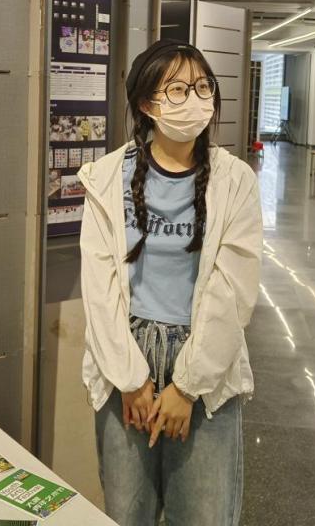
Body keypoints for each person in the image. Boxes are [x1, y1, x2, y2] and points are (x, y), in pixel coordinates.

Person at [79, 39, 261, 526]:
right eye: (177, 90)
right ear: (146, 104)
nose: (194, 100)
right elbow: (98, 288)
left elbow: (233, 291)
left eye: (202, 87)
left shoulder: (235, 180)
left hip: (204, 359)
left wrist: (187, 387)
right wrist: (131, 379)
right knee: (126, 510)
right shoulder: (105, 177)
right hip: (126, 358)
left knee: (204, 512)